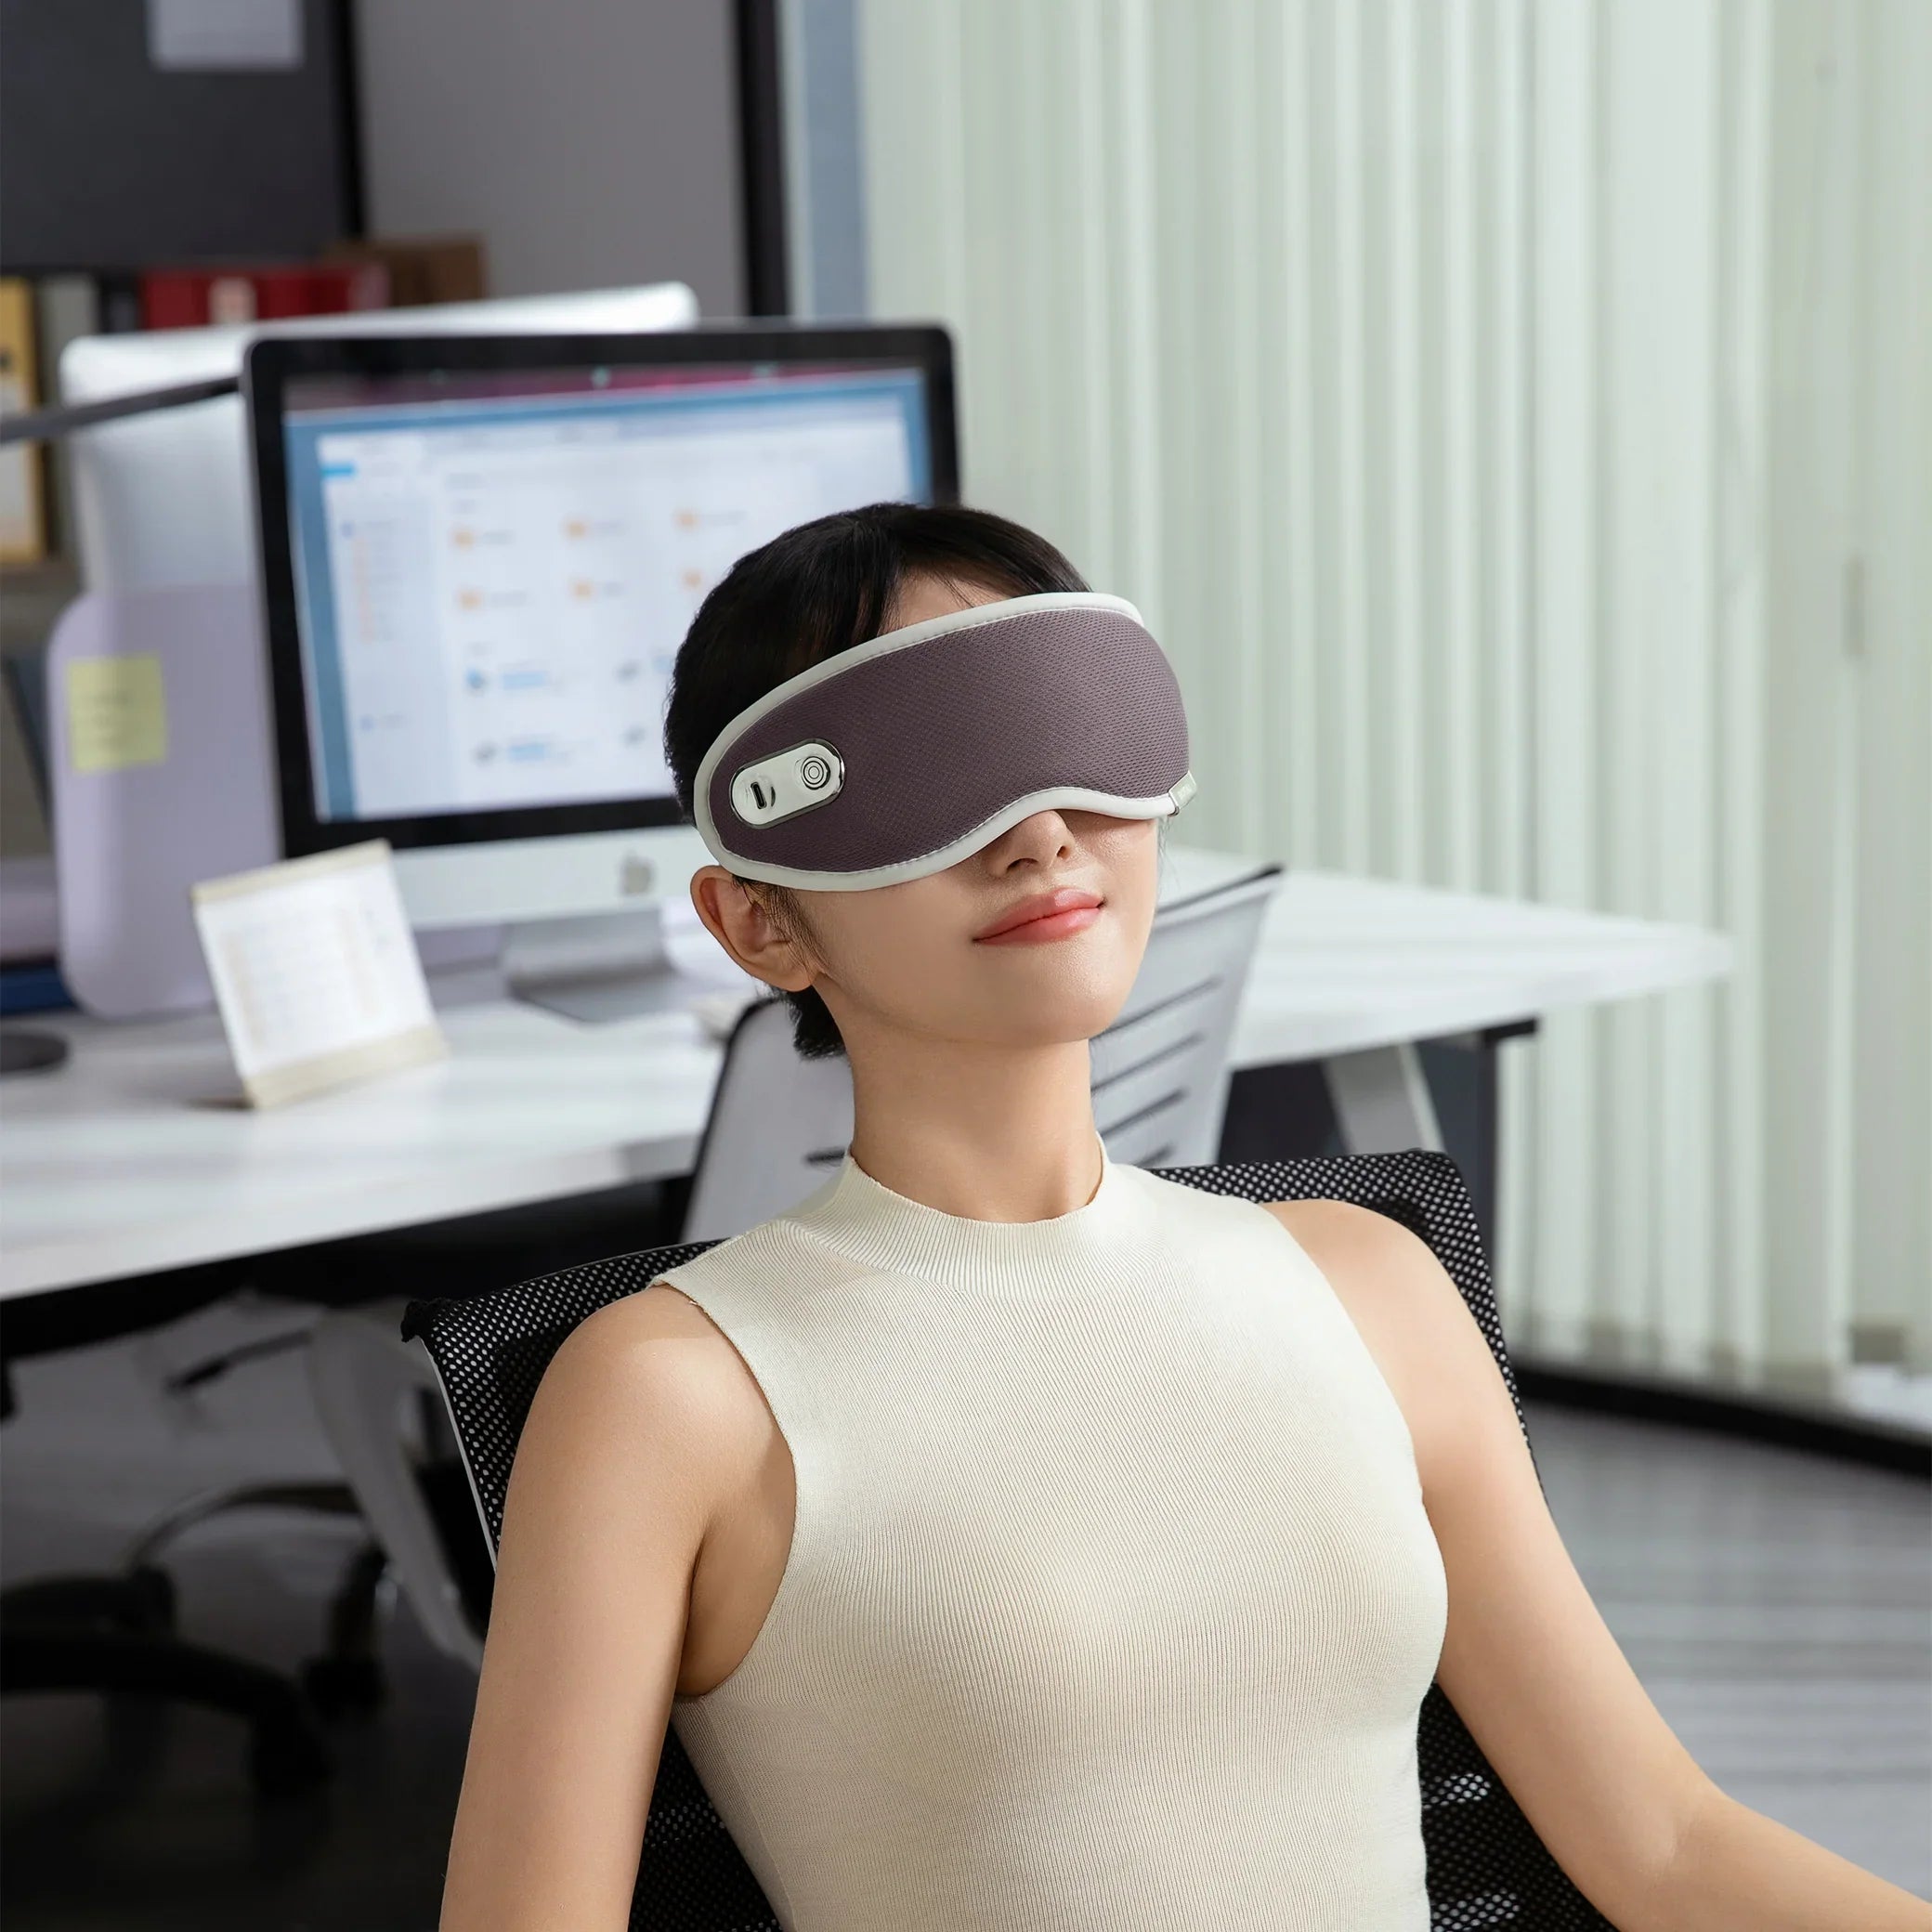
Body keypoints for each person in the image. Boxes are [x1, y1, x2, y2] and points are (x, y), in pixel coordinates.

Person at [437, 504, 1930, 1931]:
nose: (1039, 833)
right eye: (927, 772)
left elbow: (1664, 1849)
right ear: (760, 919)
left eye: (1063, 737)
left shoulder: (1369, 1285)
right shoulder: (670, 1397)